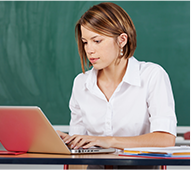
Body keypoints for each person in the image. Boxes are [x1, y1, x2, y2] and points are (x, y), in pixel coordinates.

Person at [57, 2, 177, 170]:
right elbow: (78, 148)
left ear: (122, 40)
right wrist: (64, 141)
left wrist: (109, 141)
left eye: (97, 41)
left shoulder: (152, 75)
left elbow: (165, 140)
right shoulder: (81, 83)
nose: (89, 49)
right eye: (85, 42)